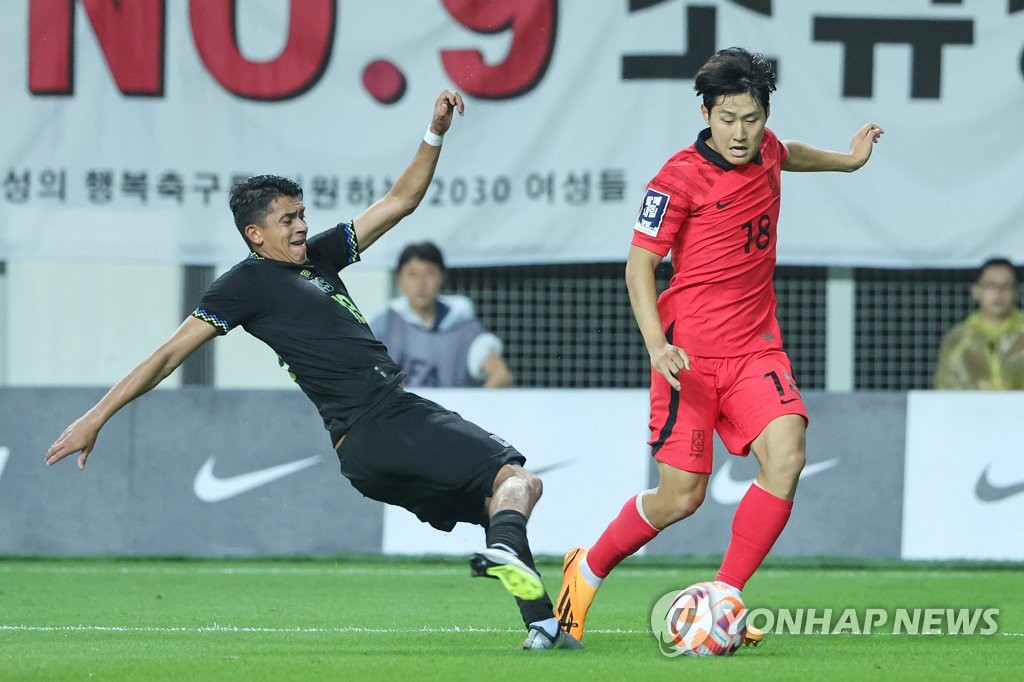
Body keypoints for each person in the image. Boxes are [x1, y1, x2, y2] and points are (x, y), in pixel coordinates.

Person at [43, 91, 581, 651]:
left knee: (504, 506)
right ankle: (514, 575)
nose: (302, 226)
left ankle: (542, 627)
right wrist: (96, 416)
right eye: (288, 219)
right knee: (518, 479)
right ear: (255, 234)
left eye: (302, 215)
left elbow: (400, 201)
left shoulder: (319, 257)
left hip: (364, 455)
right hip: (386, 419)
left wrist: (435, 131)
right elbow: (166, 355)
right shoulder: (243, 285)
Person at [555, 47, 883, 645]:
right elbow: (638, 268)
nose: (740, 132)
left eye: (752, 118)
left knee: (787, 454)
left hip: (758, 348)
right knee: (682, 498)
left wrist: (849, 162)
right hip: (689, 359)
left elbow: (790, 155)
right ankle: (589, 567)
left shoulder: (768, 148)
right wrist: (657, 347)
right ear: (705, 111)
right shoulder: (676, 178)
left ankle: (725, 596)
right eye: (727, 117)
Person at [369, 241, 513, 388]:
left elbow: (500, 375)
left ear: (442, 276)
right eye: (412, 274)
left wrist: (473, 406)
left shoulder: (461, 325)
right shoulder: (384, 324)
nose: (421, 283)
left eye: (430, 273)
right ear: (399, 278)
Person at [934, 257, 1024, 390]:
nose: (998, 293)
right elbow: (945, 387)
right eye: (991, 285)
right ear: (976, 290)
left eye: (1006, 286)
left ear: (1016, 291)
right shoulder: (957, 339)